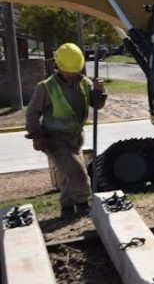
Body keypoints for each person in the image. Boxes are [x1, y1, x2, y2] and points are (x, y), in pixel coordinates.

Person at [25, 43, 107, 218]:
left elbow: (97, 105)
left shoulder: (84, 82)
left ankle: (67, 208)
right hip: (53, 139)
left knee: (65, 174)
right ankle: (84, 204)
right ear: (58, 66)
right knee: (77, 172)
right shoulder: (45, 87)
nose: (70, 75)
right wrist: (36, 136)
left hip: (75, 137)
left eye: (74, 71)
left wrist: (100, 92)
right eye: (67, 71)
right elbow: (32, 113)